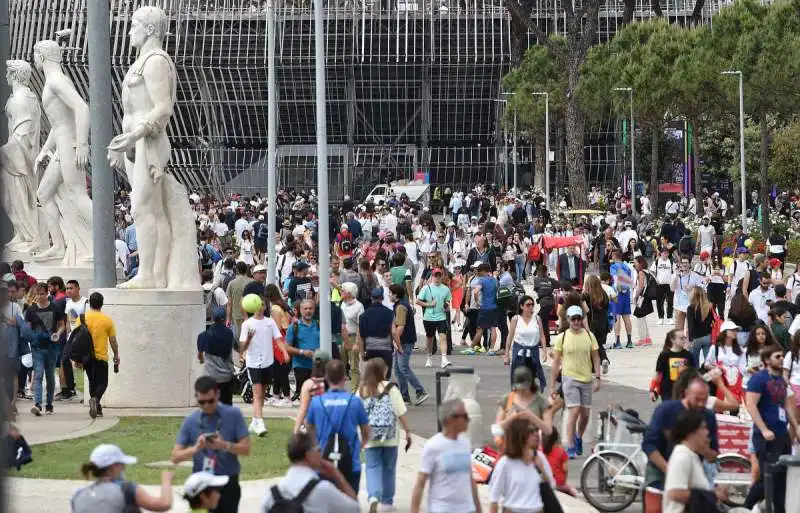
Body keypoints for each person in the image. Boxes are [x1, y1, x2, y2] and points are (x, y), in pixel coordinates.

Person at [172, 376, 251, 513]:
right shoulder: (190, 421)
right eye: (202, 402)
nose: (207, 406)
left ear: (218, 394)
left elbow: (246, 449)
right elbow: (175, 457)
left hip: (227, 482)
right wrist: (196, 449)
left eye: (211, 401)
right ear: (196, 397)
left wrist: (224, 445)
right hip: (202, 486)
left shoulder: (233, 415)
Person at [641, 372, 719, 510]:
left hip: (690, 474)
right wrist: (670, 470)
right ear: (686, 393)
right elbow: (649, 445)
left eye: (705, 400)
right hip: (659, 472)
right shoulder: (666, 410)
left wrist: (703, 449)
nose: (701, 404)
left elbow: (713, 455)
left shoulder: (708, 416)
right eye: (697, 399)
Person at [744, 345, 799, 513]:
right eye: (777, 356)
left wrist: (796, 428)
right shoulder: (759, 379)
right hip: (766, 436)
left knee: (782, 478)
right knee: (767, 476)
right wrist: (763, 429)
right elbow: (751, 405)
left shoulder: (782, 381)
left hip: (782, 435)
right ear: (767, 360)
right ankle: (745, 507)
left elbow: (787, 407)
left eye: (782, 356)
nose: (782, 359)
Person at [305, 359, 371, 493]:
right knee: (349, 500)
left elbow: (309, 427)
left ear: (327, 378)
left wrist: (315, 444)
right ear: (344, 378)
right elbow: (366, 430)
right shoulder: (355, 402)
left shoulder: (317, 402)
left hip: (324, 461)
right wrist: (362, 445)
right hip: (351, 461)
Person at [358, 357, 412, 512]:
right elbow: (400, 412)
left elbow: (357, 413)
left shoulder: (362, 389)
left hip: (370, 437)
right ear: (384, 371)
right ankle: (387, 502)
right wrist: (407, 431)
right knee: (389, 468)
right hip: (390, 437)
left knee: (372, 467)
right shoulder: (391, 388)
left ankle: (374, 495)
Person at [410, 399, 482, 513]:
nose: (468, 420)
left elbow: (470, 479)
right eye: (465, 416)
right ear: (451, 419)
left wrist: (478, 508)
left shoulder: (465, 443)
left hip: (467, 509)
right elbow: (420, 483)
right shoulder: (433, 446)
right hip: (442, 508)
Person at [259, 431, 359, 513]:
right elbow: (355, 508)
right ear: (308, 455)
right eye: (318, 450)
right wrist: (337, 474)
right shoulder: (323, 490)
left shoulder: (271, 494)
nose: (321, 453)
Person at [549, 305, 601, 459]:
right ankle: (570, 445)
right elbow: (556, 362)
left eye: (579, 318)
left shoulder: (589, 336)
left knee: (585, 415)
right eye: (573, 319)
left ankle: (578, 436)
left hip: (586, 378)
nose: (576, 322)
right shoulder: (562, 337)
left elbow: (596, 357)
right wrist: (552, 385)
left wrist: (598, 377)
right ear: (568, 320)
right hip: (569, 378)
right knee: (574, 410)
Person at [71, 444, 173, 513]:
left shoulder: (78, 496)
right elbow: (164, 504)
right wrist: (166, 480)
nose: (124, 467)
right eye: (121, 464)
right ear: (113, 467)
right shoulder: (127, 489)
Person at [488, 417, 556, 513]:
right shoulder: (505, 463)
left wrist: (541, 469)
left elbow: (552, 485)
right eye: (531, 431)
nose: (536, 434)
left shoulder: (539, 457)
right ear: (519, 435)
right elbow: (494, 497)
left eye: (536, 430)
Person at [239, 294, 284, 436]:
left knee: (261, 394)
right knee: (257, 393)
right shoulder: (247, 324)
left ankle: (254, 421)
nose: (260, 308)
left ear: (265, 307)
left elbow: (278, 339)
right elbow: (242, 348)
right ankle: (260, 423)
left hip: (268, 363)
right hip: (253, 364)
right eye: (257, 306)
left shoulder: (270, 322)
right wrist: (249, 338)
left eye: (262, 305)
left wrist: (285, 352)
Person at [662, 410, 723, 513]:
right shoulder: (682, 456)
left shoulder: (691, 455)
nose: (707, 432)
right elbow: (675, 493)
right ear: (691, 432)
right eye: (703, 428)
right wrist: (713, 496)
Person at [24, 282, 65, 416]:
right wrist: (30, 337)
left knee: (50, 376)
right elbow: (27, 328)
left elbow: (62, 325)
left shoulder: (55, 308)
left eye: (42, 293)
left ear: (47, 293)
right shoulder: (31, 310)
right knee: (38, 375)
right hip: (37, 348)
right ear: (34, 294)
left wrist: (57, 334)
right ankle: (37, 404)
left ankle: (49, 404)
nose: (40, 296)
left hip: (52, 346)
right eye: (38, 294)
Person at [79, 292, 120, 419]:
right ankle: (96, 400)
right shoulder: (107, 320)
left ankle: (98, 407)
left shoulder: (82, 318)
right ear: (102, 304)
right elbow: (112, 340)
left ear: (90, 303)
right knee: (103, 382)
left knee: (92, 381)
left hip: (86, 357)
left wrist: (78, 358)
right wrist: (116, 354)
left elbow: (78, 339)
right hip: (100, 356)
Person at [389, 284, 429, 405]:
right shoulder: (401, 304)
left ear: (395, 295)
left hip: (405, 341)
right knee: (397, 369)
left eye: (390, 293)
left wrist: (396, 341)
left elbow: (400, 326)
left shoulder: (401, 307)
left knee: (403, 368)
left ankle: (420, 391)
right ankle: (404, 396)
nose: (389, 295)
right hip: (404, 340)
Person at [504, 295, 548, 391]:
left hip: (533, 353)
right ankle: (519, 399)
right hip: (519, 353)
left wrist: (545, 352)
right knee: (520, 381)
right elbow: (510, 337)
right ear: (521, 306)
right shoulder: (516, 319)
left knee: (531, 381)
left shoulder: (537, 319)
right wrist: (506, 354)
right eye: (528, 305)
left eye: (532, 305)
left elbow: (542, 336)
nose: (531, 307)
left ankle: (529, 401)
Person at [197, 306, 238, 405]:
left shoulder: (203, 336)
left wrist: (202, 360)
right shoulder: (230, 334)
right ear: (224, 319)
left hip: (210, 376)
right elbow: (239, 348)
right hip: (226, 377)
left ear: (212, 318)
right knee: (226, 406)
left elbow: (200, 356)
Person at [286, 299, 322, 400]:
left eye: (310, 308)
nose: (308, 311)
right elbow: (287, 347)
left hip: (318, 366)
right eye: (305, 309)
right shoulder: (294, 327)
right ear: (301, 310)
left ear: (314, 310)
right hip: (301, 365)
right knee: (304, 395)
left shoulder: (320, 325)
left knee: (316, 396)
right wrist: (302, 352)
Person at [357, 288, 398, 376]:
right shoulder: (389, 313)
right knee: (385, 377)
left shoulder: (364, 315)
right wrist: (399, 346)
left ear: (371, 298)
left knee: (372, 377)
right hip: (386, 349)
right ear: (382, 298)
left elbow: (361, 336)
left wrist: (362, 352)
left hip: (370, 349)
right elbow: (394, 332)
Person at [417, 268, 452, 369]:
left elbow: (448, 301)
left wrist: (446, 305)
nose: (437, 278)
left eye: (439, 275)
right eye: (435, 276)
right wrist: (428, 304)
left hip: (441, 317)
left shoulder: (445, 289)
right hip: (429, 317)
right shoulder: (426, 288)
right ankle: (429, 357)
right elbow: (418, 301)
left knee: (443, 337)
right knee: (430, 338)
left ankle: (444, 359)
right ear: (432, 277)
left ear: (442, 277)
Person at [58, 279, 87, 401]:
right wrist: (68, 335)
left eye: (71, 288)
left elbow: (86, 322)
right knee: (64, 360)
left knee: (84, 364)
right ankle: (70, 388)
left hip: (82, 337)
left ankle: (88, 393)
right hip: (71, 338)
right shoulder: (68, 303)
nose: (68, 290)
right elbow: (68, 321)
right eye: (67, 288)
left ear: (78, 289)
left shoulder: (85, 302)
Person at [649, 330, 696, 403]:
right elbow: (658, 373)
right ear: (672, 340)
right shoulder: (665, 355)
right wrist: (652, 390)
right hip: (667, 391)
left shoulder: (688, 355)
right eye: (681, 338)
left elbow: (694, 373)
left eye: (685, 338)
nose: (684, 340)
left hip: (684, 391)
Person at [469, 262, 498, 353]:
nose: (479, 273)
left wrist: (477, 302)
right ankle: (492, 349)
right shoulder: (494, 280)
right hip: (494, 307)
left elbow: (475, 292)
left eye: (480, 271)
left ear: (484, 271)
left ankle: (471, 348)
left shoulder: (482, 280)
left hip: (484, 307)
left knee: (480, 329)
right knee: (493, 328)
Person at [609, 249, 634, 349]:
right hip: (626, 293)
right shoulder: (627, 267)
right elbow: (630, 282)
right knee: (626, 317)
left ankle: (618, 341)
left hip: (617, 293)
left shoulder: (613, 267)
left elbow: (615, 280)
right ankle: (629, 341)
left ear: (615, 256)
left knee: (617, 317)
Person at [542, 427, 577, 497]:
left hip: (544, 483)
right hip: (559, 483)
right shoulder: (561, 451)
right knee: (573, 491)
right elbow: (565, 469)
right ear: (556, 439)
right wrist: (564, 481)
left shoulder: (539, 451)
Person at [685, 287, 714, 365]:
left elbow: (690, 325)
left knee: (694, 363)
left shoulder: (691, 308)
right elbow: (713, 322)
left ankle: (697, 376)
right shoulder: (709, 307)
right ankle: (707, 376)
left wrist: (689, 339)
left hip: (695, 338)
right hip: (708, 337)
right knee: (708, 363)